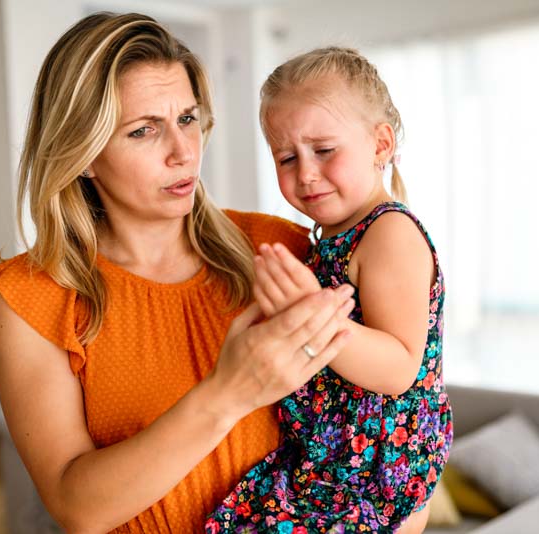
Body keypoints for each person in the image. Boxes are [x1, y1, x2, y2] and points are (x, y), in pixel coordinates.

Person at [0, 13, 356, 534]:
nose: (183, 153)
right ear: (83, 153)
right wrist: (229, 394)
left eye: (187, 119)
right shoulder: (31, 297)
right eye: (143, 130)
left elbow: (394, 412)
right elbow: (76, 506)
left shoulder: (279, 248)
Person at [207, 47, 453, 533]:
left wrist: (312, 317)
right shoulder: (332, 237)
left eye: (324, 150)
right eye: (286, 157)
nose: (306, 173)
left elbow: (400, 365)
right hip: (326, 461)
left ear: (380, 144)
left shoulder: (388, 234)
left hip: (374, 475)